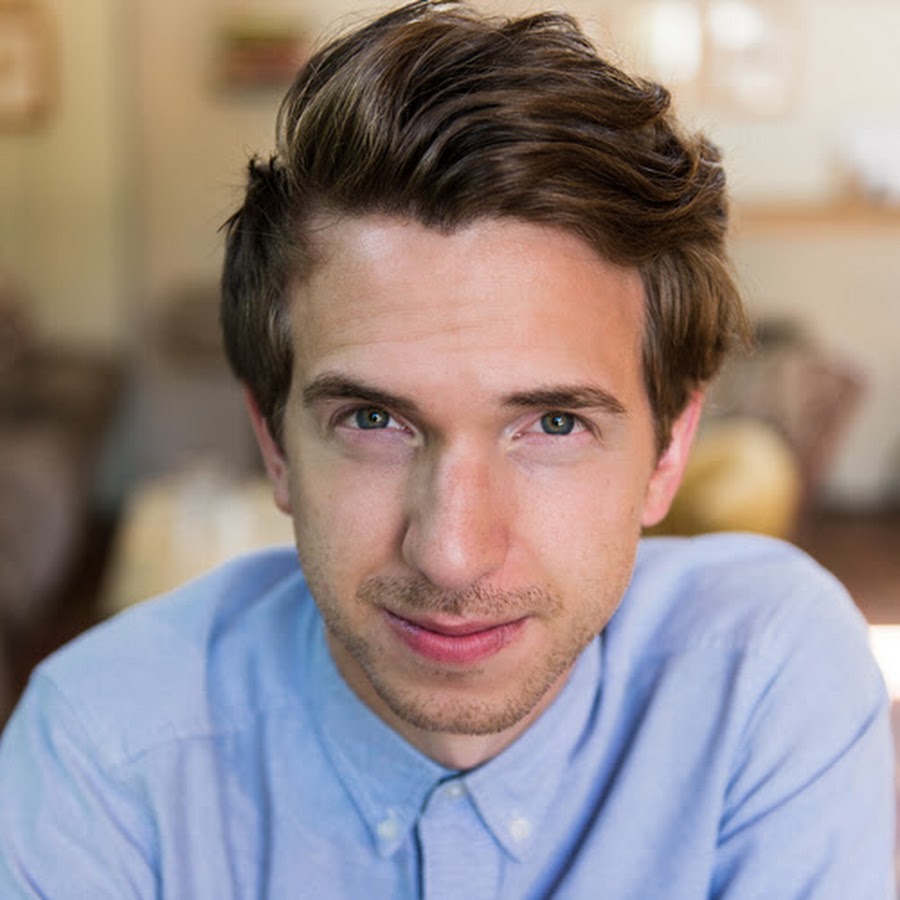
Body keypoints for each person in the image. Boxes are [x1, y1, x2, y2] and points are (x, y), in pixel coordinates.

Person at [0, 1, 894, 895]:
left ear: (669, 453)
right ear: (273, 444)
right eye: (372, 420)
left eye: (554, 424)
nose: (452, 554)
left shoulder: (766, 678)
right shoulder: (103, 760)